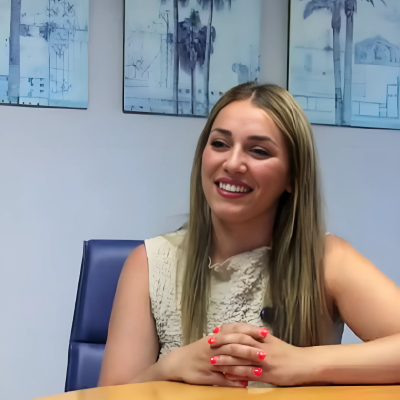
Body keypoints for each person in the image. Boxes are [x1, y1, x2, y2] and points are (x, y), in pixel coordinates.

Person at [98, 83, 400, 389]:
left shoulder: (326, 259)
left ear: (293, 177)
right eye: (219, 144)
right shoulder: (149, 265)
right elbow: (107, 396)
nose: (232, 163)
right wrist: (171, 367)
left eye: (259, 150)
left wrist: (300, 363)